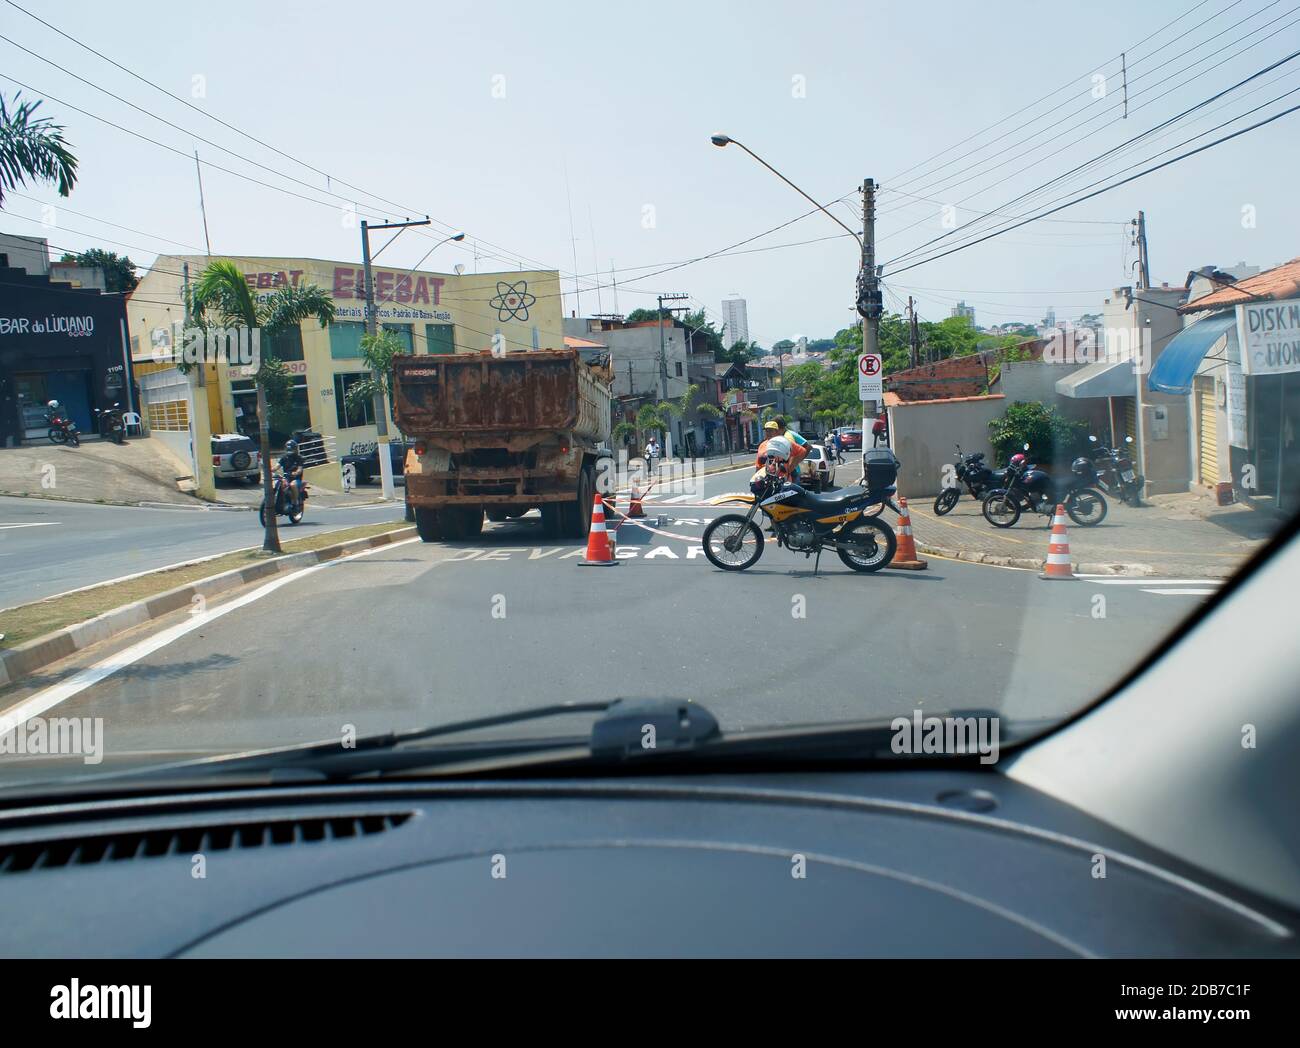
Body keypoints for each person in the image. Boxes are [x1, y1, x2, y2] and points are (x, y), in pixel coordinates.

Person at [279, 438, 305, 511]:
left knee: (292, 485)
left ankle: (295, 503)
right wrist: (270, 469)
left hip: (296, 479)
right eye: (288, 448)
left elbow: (300, 468)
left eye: (291, 448)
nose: (289, 450)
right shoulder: (284, 458)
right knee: (278, 484)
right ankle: (281, 501)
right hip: (286, 477)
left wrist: (296, 472)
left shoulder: (299, 458)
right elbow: (277, 466)